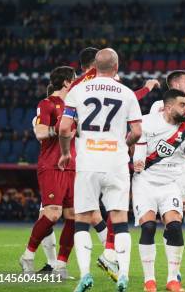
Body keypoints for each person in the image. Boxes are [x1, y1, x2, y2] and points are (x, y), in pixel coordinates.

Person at [58, 48, 143, 292]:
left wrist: (65, 152)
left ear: (94, 67)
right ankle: (124, 274)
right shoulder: (127, 93)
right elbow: (137, 132)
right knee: (119, 219)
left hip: (88, 163)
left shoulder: (78, 90)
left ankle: (85, 275)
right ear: (116, 67)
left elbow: (65, 129)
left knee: (82, 220)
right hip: (115, 162)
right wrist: (123, 145)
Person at [149, 70, 185, 289]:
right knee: (170, 217)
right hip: (167, 167)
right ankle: (176, 272)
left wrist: (174, 122)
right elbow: (156, 129)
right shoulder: (157, 106)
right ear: (174, 83)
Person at [133, 89, 185, 292]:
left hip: (171, 184)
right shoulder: (147, 122)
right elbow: (139, 149)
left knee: (175, 228)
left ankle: (172, 280)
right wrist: (137, 161)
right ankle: (149, 281)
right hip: (145, 183)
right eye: (182, 105)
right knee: (148, 227)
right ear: (168, 107)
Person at [20, 66, 77, 279]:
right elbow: (40, 132)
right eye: (74, 79)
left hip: (73, 166)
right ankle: (28, 255)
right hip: (52, 165)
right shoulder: (47, 104)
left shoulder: (74, 105)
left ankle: (60, 267)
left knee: (73, 216)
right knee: (52, 213)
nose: (76, 83)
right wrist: (61, 130)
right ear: (65, 82)